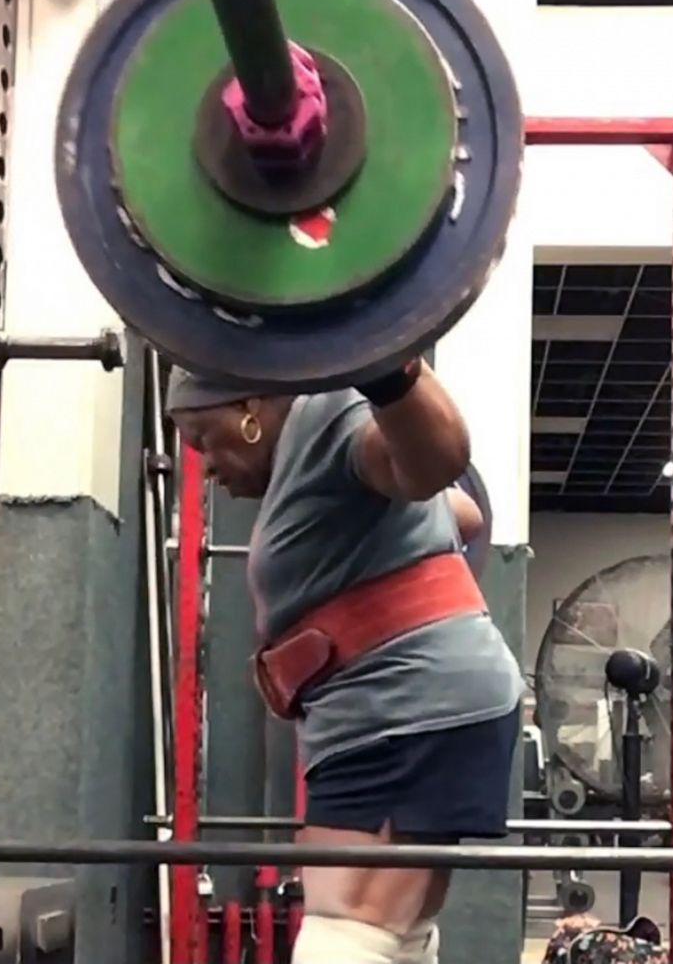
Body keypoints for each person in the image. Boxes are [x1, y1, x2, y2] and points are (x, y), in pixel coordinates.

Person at [166, 356, 524, 964]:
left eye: (204, 438)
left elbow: (434, 463)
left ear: (250, 410)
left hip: (405, 707)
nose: (207, 465)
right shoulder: (306, 459)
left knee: (345, 934)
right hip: (395, 707)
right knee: (395, 931)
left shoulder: (326, 414)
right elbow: (462, 511)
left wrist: (386, 366)